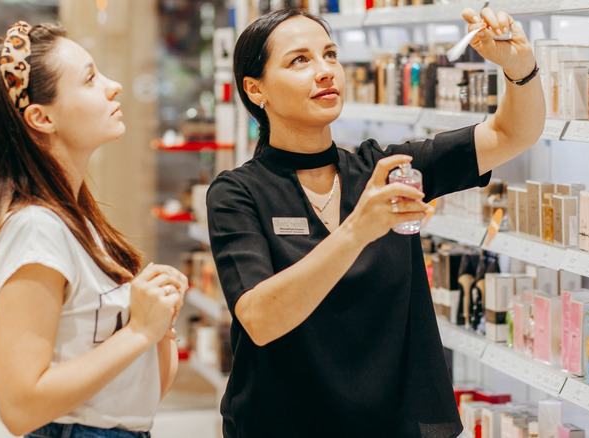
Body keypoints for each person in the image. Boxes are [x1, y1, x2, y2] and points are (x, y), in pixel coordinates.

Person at [206, 6, 543, 438]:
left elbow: (511, 134)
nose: (326, 71)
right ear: (256, 90)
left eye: (330, 55)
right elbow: (260, 319)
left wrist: (521, 70)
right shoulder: (238, 193)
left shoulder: (388, 169)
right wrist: (357, 230)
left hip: (395, 425)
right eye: (300, 60)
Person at [0, 21, 188, 437]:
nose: (114, 85)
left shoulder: (78, 222)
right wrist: (139, 329)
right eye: (90, 78)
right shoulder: (34, 228)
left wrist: (158, 321)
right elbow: (20, 407)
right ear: (41, 117)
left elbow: (141, 394)